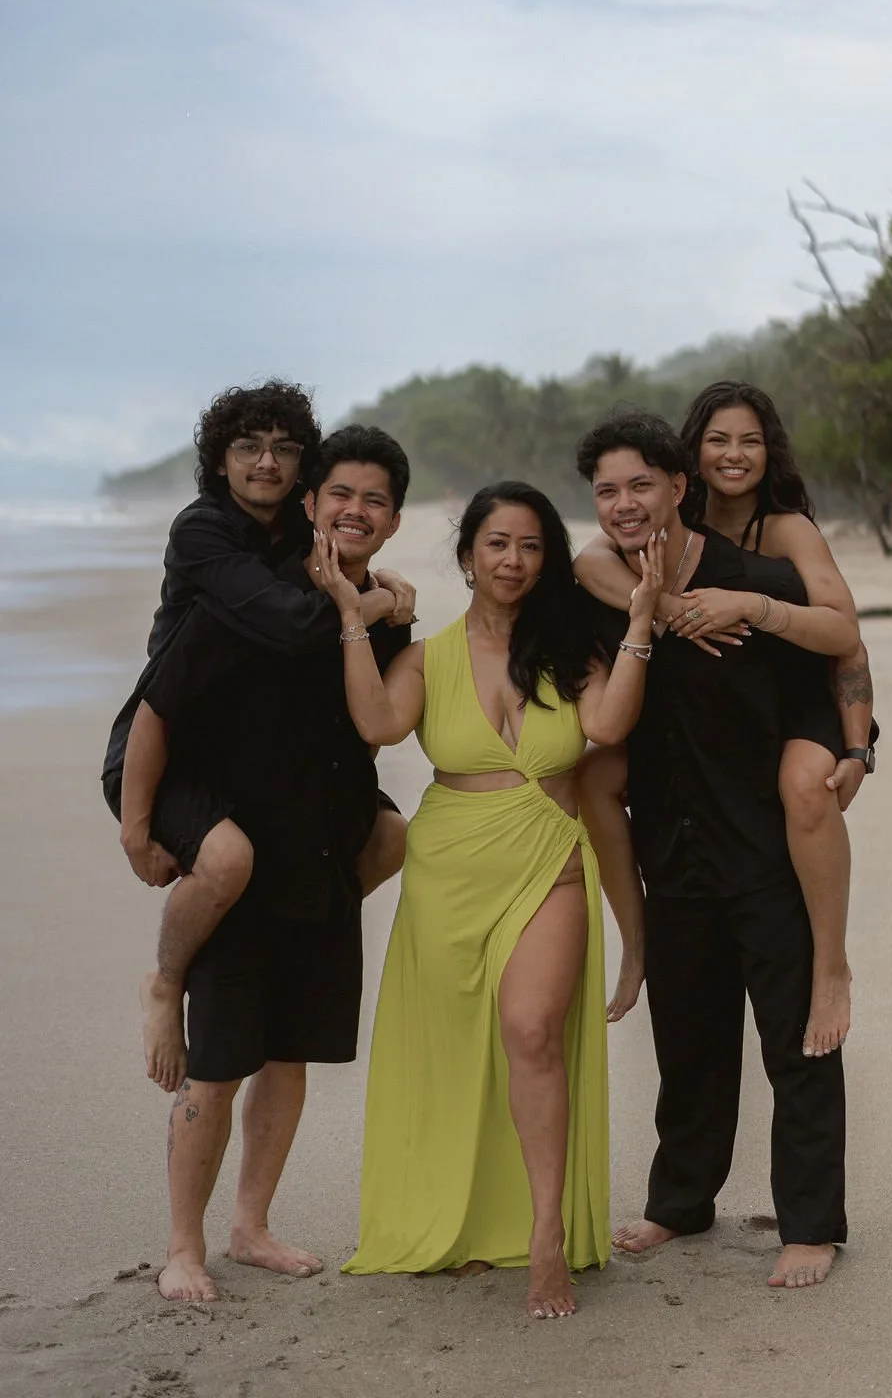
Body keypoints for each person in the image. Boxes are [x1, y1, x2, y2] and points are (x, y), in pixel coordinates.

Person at [318, 481, 662, 1319]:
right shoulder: (428, 656)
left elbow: (610, 726)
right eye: (498, 544)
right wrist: (350, 616)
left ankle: (546, 1238)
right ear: (468, 555)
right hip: (451, 869)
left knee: (532, 1030)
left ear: (547, 561)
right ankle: (464, 1210)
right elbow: (376, 724)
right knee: (460, 1050)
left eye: (532, 546)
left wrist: (643, 619)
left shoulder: (572, 649)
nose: (514, 560)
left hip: (548, 855)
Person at [119, 425, 413, 1302]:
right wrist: (138, 828)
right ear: (312, 505)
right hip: (243, 844)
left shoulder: (383, 611)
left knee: (288, 1058)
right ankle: (184, 1248)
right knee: (218, 1064)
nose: (356, 511)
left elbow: (383, 719)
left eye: (375, 501)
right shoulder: (247, 599)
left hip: (320, 852)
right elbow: (155, 711)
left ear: (393, 521)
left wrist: (379, 606)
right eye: (341, 496)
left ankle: (251, 1229)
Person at [575, 409, 849, 1289]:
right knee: (688, 1041)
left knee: (797, 1043)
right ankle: (680, 1202)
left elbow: (836, 651)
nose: (624, 505)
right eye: (608, 490)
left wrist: (852, 749)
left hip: (762, 850)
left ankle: (810, 1225)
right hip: (672, 847)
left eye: (641, 486)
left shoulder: (755, 577)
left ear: (681, 487)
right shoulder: (598, 587)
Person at [102, 384, 414, 1094]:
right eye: (247, 447)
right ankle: (167, 981)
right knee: (228, 857)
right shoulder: (203, 531)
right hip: (173, 747)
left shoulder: (304, 539)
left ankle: (284, 930)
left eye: (284, 448)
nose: (266, 462)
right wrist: (135, 829)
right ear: (219, 461)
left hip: (260, 749)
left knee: (389, 832)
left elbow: (348, 706)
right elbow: (293, 625)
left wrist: (377, 601)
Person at [575, 383, 876, 1056]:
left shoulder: (787, 529)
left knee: (803, 788)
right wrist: (666, 609)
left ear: (770, 451)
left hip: (797, 697)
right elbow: (590, 560)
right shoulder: (656, 516)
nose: (733, 455)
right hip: (720, 705)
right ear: (689, 462)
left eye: (750, 440)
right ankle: (636, 942)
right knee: (595, 777)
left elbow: (846, 638)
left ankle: (830, 964)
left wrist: (857, 747)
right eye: (718, 440)